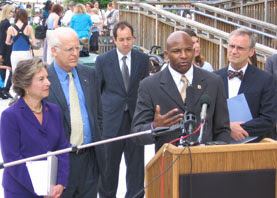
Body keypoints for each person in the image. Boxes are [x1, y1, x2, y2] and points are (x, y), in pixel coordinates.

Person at [132, 31, 231, 152]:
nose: (183, 55)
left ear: (194, 52)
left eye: (188, 50)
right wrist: (154, 127)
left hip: (205, 164)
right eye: (177, 51)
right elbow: (137, 134)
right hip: (167, 164)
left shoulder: (213, 82)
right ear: (167, 55)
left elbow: (223, 130)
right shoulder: (149, 85)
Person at [45, 27, 104, 198]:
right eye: (69, 49)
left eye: (77, 48)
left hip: (90, 160)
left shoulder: (89, 74)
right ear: (54, 51)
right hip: (61, 163)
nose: (75, 53)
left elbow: (98, 114)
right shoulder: (45, 80)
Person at [0, 57, 69, 197]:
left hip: (53, 190)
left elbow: (63, 149)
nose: (48, 83)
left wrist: (61, 183)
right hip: (22, 191)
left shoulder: (54, 110)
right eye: (41, 79)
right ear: (26, 85)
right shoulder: (10, 116)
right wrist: (41, 189)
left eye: (47, 78)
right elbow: (13, 160)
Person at [96, 21, 149, 198]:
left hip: (135, 119)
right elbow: (98, 91)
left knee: (135, 165)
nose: (126, 43)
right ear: (114, 40)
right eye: (121, 39)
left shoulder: (142, 59)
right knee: (109, 165)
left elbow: (145, 88)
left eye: (129, 39)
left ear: (133, 38)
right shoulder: (103, 60)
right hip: (111, 120)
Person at [215, 28, 276, 142]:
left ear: (251, 52)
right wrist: (228, 127)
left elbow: (269, 118)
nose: (234, 51)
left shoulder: (265, 79)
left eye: (240, 48)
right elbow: (205, 115)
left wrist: (239, 130)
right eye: (231, 46)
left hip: (255, 147)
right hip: (220, 146)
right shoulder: (213, 78)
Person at [0, 4, 14, 99]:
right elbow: (2, 39)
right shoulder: (6, 23)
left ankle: (3, 90)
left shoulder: (3, 22)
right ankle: (5, 89)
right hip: (5, 50)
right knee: (8, 69)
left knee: (4, 70)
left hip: (4, 49)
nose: (13, 14)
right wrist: (1, 52)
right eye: (11, 11)